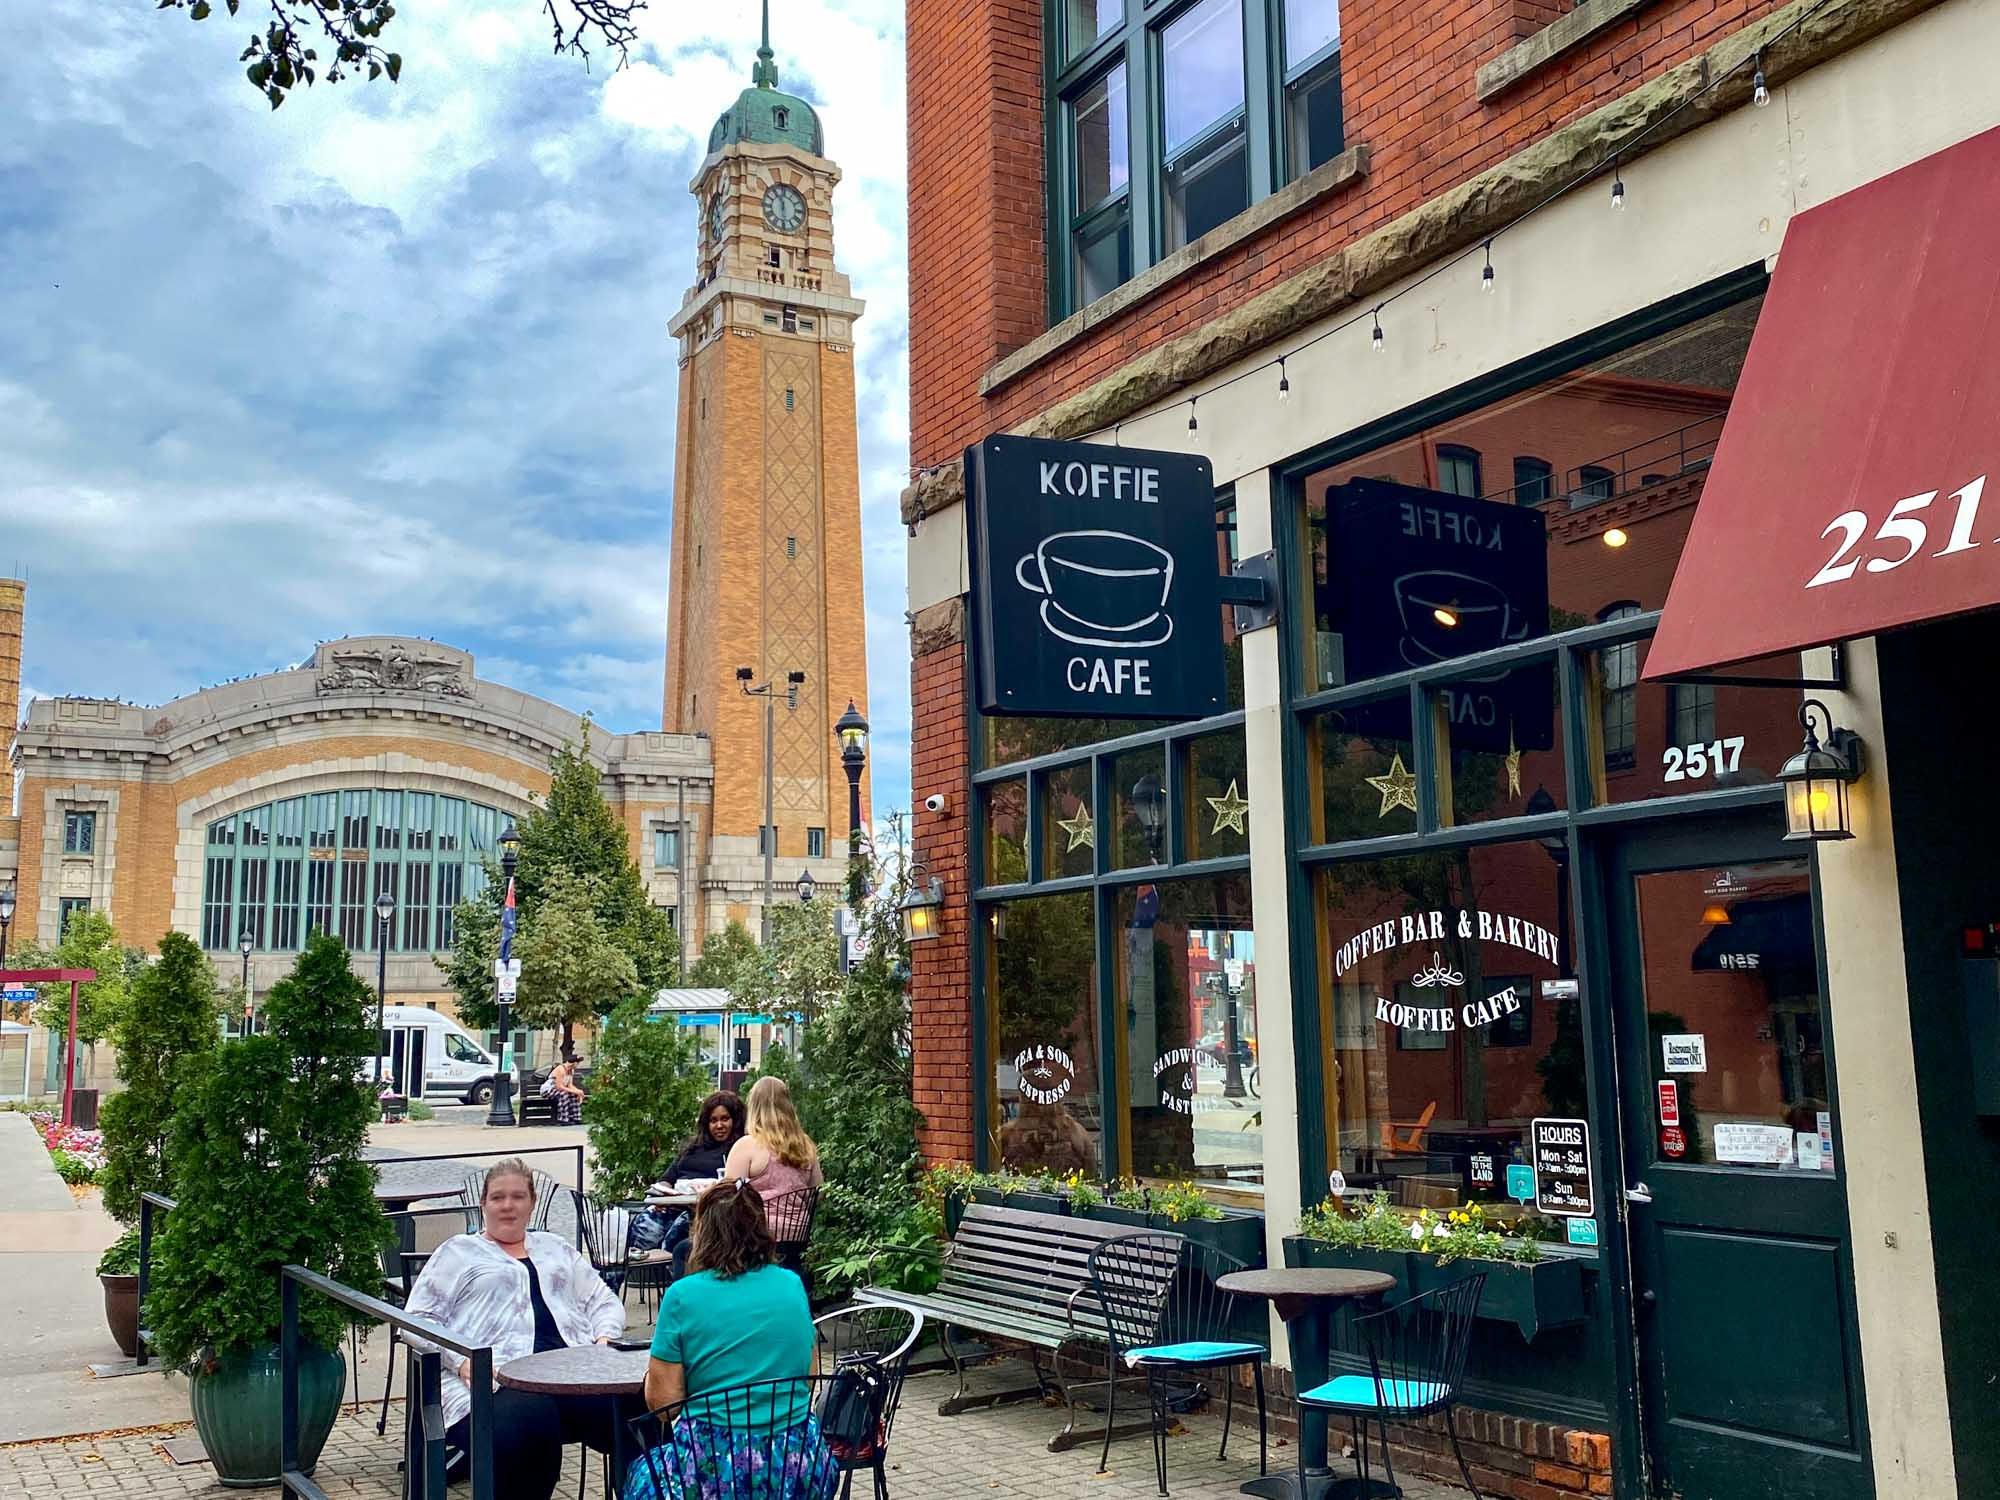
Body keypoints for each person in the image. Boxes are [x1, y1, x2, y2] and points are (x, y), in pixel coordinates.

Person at [402, 1159, 629, 1500]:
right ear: (483, 1204)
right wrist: (460, 1360)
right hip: (492, 1379)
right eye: (497, 1197)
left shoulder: (556, 1247)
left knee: (641, 1408)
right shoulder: (458, 1252)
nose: (508, 1206)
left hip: (570, 1375)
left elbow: (603, 1301)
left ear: (532, 1203)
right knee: (528, 1423)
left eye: (518, 1196)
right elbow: (417, 1320)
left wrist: (603, 1341)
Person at [626, 1182, 838, 1500]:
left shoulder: (683, 1296)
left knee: (640, 1473)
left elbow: (665, 1407)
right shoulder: (791, 1284)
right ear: (762, 1229)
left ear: (702, 1233)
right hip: (796, 1468)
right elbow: (808, 1378)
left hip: (713, 1467)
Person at [634, 1092, 747, 1259]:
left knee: (674, 1239)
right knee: (643, 1227)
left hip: (707, 1214)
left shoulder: (739, 1151)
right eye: (713, 1120)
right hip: (673, 1207)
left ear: (735, 1120)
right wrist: (661, 1197)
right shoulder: (692, 1149)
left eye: (725, 1119)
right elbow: (665, 1180)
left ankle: (673, 1280)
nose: (719, 1125)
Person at [542, 1053, 586, 1125]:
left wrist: (578, 1092)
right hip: (548, 1090)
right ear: (574, 1063)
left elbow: (570, 1085)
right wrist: (576, 1092)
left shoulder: (571, 1071)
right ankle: (563, 1119)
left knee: (573, 1094)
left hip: (558, 1090)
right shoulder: (560, 1069)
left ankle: (576, 1117)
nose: (578, 1065)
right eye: (578, 1063)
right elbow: (559, 1086)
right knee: (564, 1094)